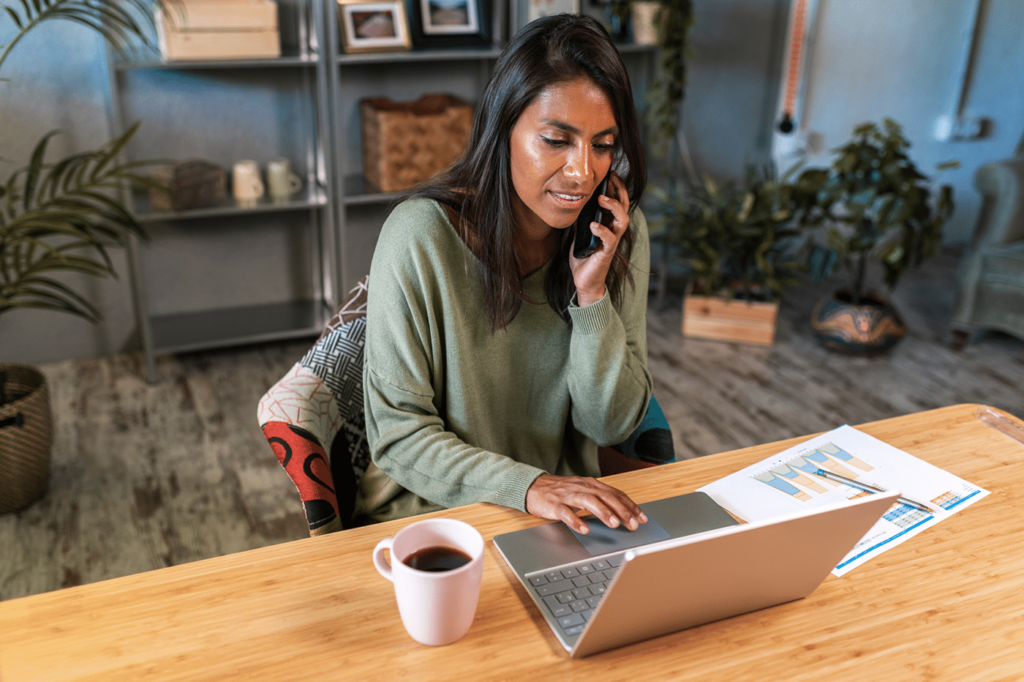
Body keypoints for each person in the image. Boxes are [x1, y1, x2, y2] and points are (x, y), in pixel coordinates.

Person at [353, 14, 653, 535]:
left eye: (603, 144)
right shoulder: (420, 236)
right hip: (431, 519)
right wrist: (530, 486)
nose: (584, 171)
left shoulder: (616, 232)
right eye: (556, 140)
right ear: (504, 129)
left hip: (562, 519)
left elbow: (612, 425)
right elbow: (400, 437)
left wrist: (592, 297)